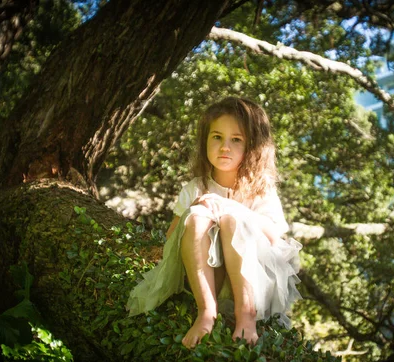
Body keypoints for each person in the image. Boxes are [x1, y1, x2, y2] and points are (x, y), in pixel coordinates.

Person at [127, 97, 301, 348]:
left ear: (253, 147)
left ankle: (246, 316)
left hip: (250, 281)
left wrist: (234, 209)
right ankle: (206, 311)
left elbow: (275, 238)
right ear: (205, 141)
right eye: (217, 137)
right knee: (197, 218)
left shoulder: (261, 191)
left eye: (236, 139)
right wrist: (195, 213)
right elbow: (171, 239)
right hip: (205, 278)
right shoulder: (195, 188)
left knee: (232, 221)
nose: (224, 147)